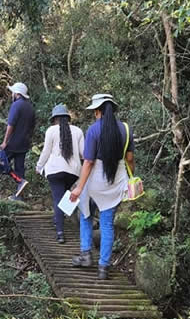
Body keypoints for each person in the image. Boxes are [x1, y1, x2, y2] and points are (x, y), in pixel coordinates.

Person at [69, 94, 135, 280]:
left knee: (86, 215)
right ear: (112, 110)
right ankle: (103, 268)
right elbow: (129, 159)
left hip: (94, 182)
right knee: (107, 224)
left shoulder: (93, 130)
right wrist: (130, 177)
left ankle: (86, 255)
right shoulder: (125, 129)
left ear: (97, 111)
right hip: (117, 181)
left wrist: (79, 188)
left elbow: (89, 162)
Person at [36, 104, 84, 243]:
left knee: (58, 198)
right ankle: (59, 219)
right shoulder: (78, 131)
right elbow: (83, 153)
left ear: (54, 119)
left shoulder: (51, 130)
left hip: (54, 170)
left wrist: (39, 166)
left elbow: (46, 151)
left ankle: (60, 232)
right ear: (67, 118)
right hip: (73, 172)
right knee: (64, 195)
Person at [0, 82, 36, 201]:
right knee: (19, 168)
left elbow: (11, 125)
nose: (12, 94)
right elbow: (32, 127)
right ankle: (19, 196)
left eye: (13, 92)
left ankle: (19, 181)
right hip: (24, 143)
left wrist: (5, 142)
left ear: (17, 94)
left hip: (13, 142)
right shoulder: (30, 107)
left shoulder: (16, 105)